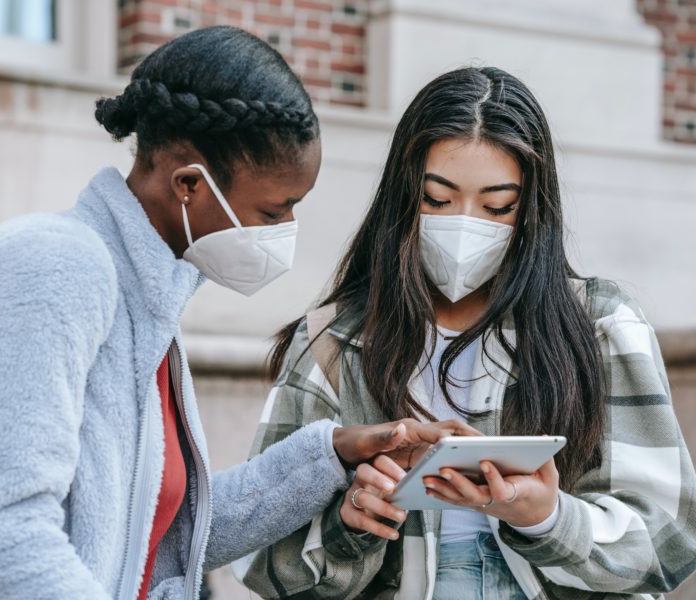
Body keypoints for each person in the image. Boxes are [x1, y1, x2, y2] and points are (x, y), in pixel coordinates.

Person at [0, 27, 463, 600]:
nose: (284, 233)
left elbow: (158, 532)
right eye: (273, 211)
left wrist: (334, 452)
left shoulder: (145, 304)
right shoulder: (49, 269)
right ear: (190, 184)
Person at [236, 66, 696, 599]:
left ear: (531, 210)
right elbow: (262, 558)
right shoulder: (334, 342)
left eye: (498, 206)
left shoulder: (600, 324)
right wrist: (351, 524)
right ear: (402, 197)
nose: (464, 224)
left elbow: (671, 538)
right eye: (437, 198)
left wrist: (547, 518)